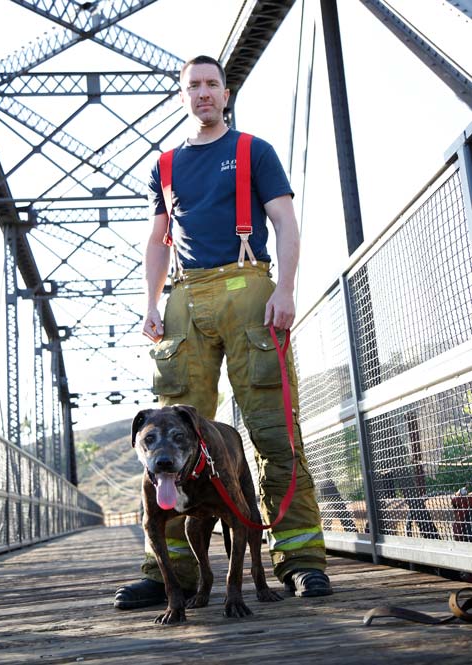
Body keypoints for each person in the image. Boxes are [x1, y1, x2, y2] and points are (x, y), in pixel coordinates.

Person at [114, 55, 332, 610]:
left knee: (272, 431)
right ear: (182, 94)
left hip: (247, 287)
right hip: (185, 296)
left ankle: (302, 561)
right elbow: (158, 238)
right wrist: (150, 303)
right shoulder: (163, 165)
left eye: (212, 84)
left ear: (226, 93)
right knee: (169, 437)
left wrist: (284, 289)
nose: (204, 93)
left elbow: (284, 220)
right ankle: (171, 574)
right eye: (194, 86)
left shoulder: (253, 151)